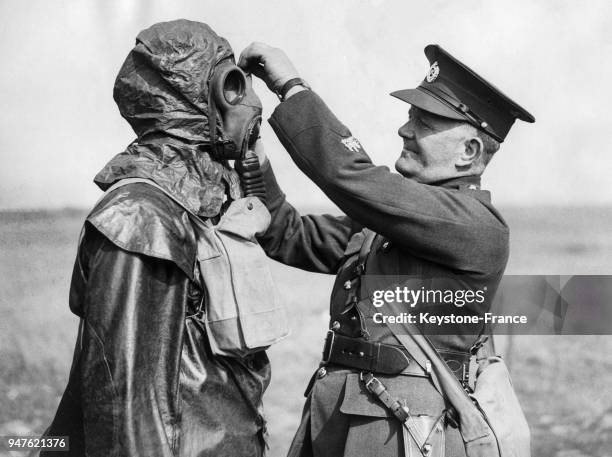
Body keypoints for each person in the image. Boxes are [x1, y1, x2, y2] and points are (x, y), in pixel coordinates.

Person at [237, 42, 534, 456]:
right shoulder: (391, 222)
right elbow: (287, 235)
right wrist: (252, 157)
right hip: (338, 417)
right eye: (410, 116)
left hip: (397, 428)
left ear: (469, 152)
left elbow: (350, 176)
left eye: (424, 122)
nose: (404, 130)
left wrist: (292, 88)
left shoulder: (476, 226)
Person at [42, 20, 281, 457]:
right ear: (191, 101)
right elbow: (126, 406)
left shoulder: (195, 207)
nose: (249, 101)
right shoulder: (141, 219)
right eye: (231, 86)